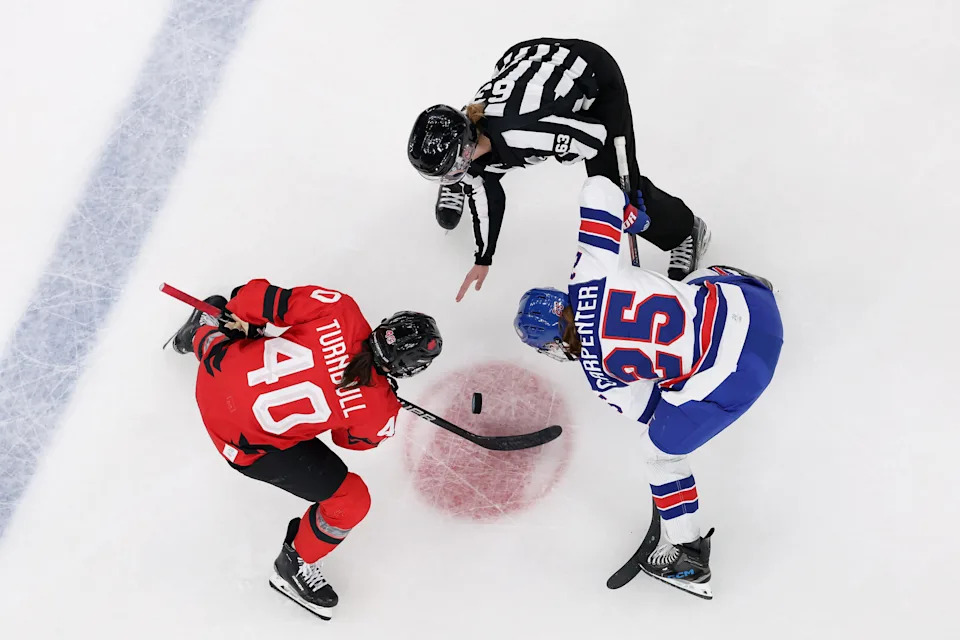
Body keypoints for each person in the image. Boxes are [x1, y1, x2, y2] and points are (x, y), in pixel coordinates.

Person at [513, 176, 782, 599]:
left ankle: (689, 556)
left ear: (552, 344)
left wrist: (652, 364)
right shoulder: (590, 272)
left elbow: (656, 411)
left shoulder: (600, 379)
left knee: (658, 453)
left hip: (745, 371)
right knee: (696, 283)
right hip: (755, 305)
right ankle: (756, 283)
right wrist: (631, 220)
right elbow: (599, 188)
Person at [170, 279, 442, 619]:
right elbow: (348, 442)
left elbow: (250, 296)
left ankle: (202, 335)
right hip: (236, 443)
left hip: (214, 374)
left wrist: (247, 323)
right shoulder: (380, 411)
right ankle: (293, 566)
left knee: (243, 349)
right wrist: (373, 399)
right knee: (351, 500)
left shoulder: (340, 308)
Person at [407, 38, 710, 302]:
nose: (459, 173)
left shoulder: (523, 133)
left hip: (591, 72)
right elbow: (487, 193)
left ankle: (685, 230)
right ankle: (459, 179)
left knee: (617, 188)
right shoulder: (469, 126)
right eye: (445, 174)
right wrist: (484, 257)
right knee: (479, 176)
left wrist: (568, 157)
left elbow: (594, 138)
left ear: (465, 149)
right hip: (526, 60)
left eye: (452, 170)